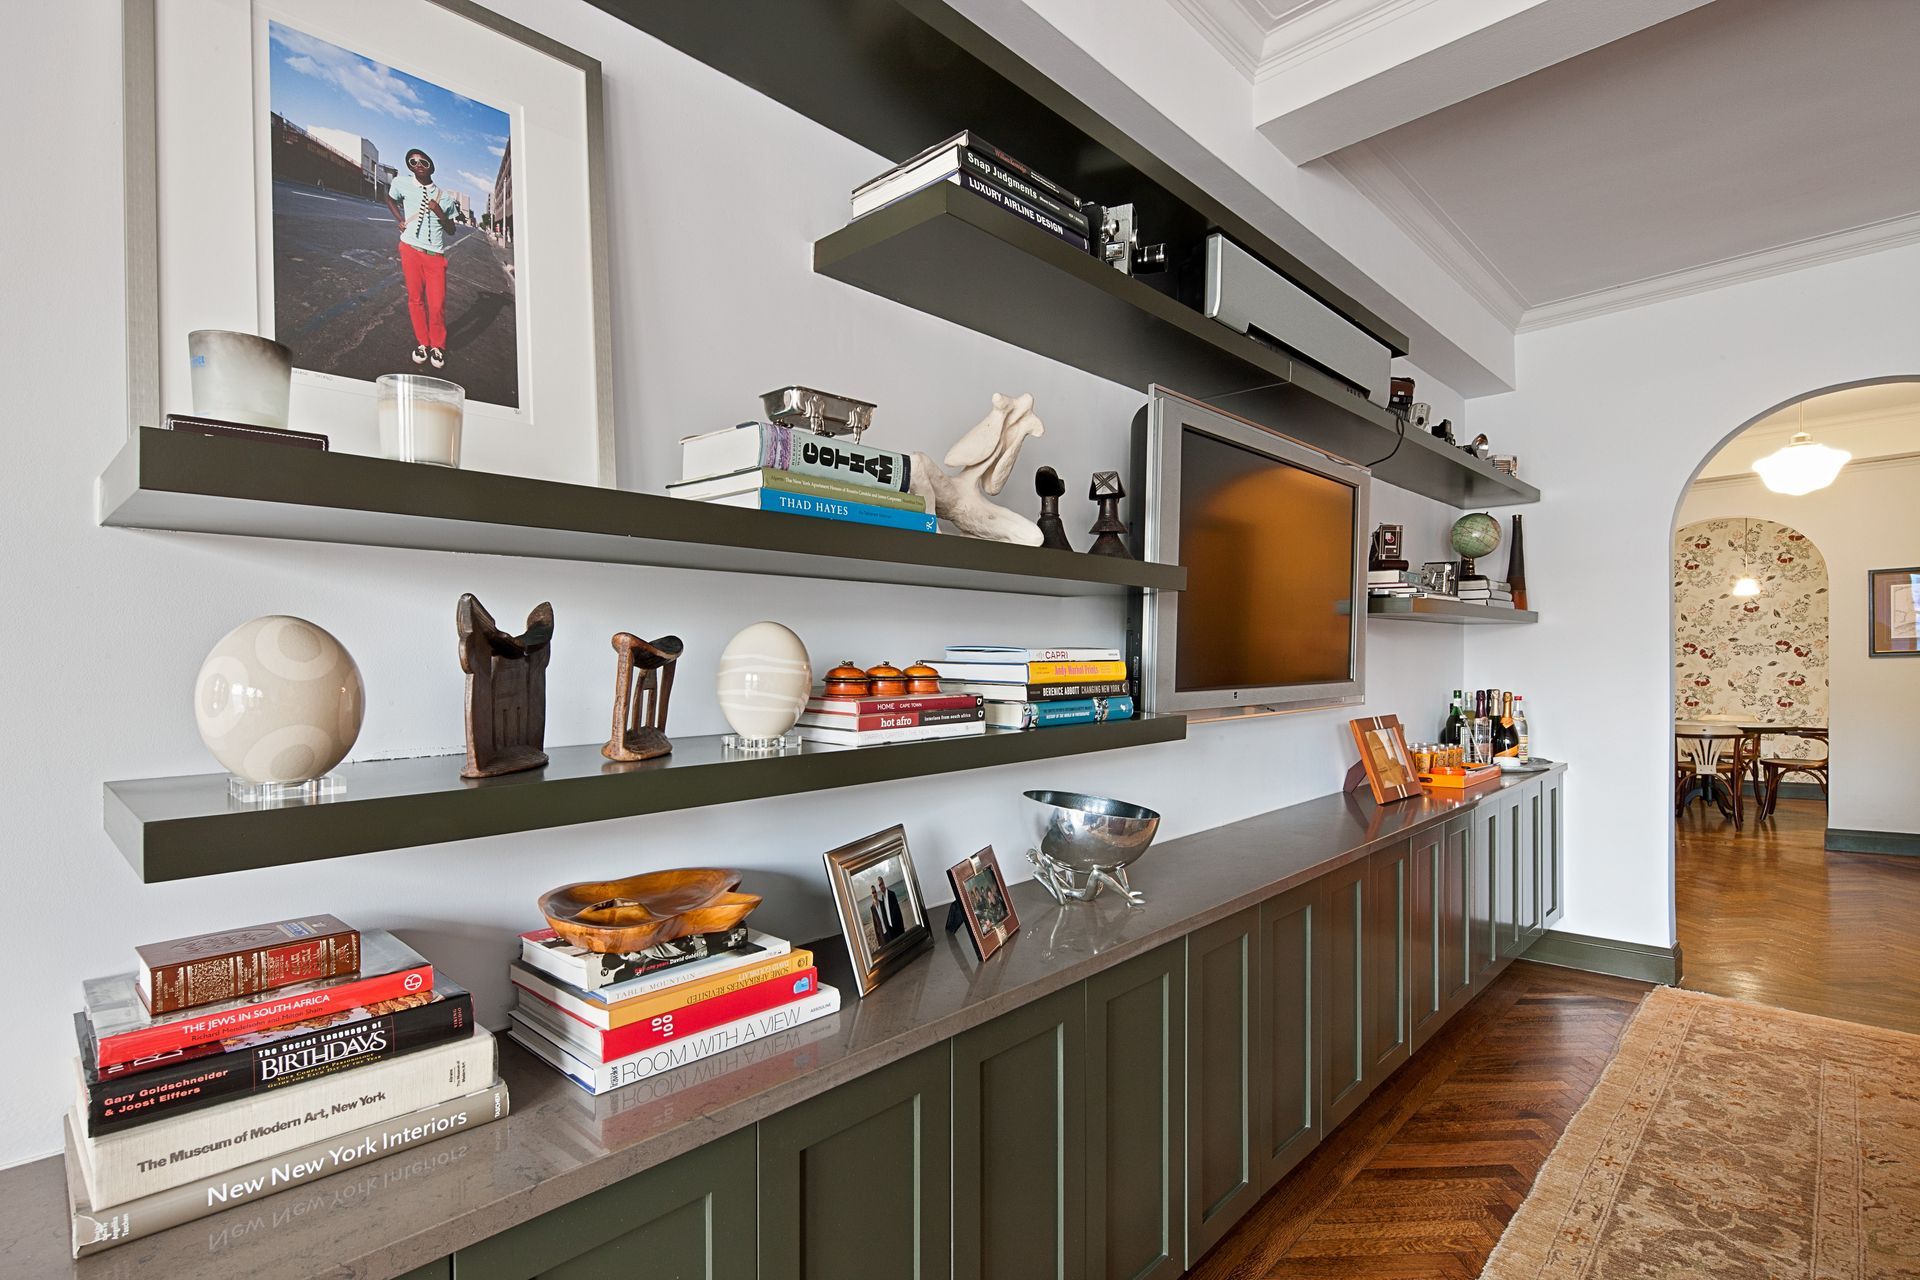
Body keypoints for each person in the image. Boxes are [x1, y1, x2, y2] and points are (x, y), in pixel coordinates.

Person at [385, 148, 458, 370]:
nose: (417, 164)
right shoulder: (401, 183)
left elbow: (451, 229)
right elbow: (388, 198)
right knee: (415, 300)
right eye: (412, 161)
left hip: (435, 256)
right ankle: (423, 343)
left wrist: (439, 212)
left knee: (436, 305)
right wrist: (399, 219)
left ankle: (438, 345)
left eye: (422, 161)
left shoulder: (445, 198)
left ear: (431, 166)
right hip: (410, 250)